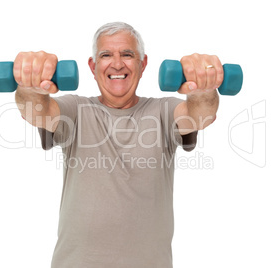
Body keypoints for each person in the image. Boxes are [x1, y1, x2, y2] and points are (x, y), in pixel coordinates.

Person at [14, 22, 221, 268]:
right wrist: (29, 87)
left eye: (127, 54)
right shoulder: (76, 110)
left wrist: (203, 91)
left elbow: (200, 115)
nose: (117, 63)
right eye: (106, 55)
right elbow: (37, 110)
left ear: (142, 64)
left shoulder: (164, 111)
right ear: (93, 67)